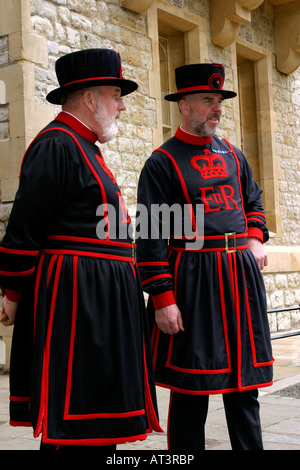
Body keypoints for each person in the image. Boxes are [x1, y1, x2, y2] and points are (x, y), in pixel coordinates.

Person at [0, 48, 162, 451]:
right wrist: (12, 294)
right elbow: (25, 229)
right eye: (115, 94)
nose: (122, 106)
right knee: (76, 426)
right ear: (90, 98)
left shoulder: (84, 145)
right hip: (78, 304)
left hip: (100, 302)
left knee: (98, 426)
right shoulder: (56, 145)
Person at [136, 63, 273, 450]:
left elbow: (254, 202)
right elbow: (149, 236)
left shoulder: (232, 153)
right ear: (184, 104)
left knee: (245, 388)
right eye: (208, 100)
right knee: (191, 387)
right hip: (193, 283)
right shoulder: (161, 163)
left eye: (219, 101)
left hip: (240, 281)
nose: (217, 108)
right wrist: (162, 298)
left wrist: (255, 237)